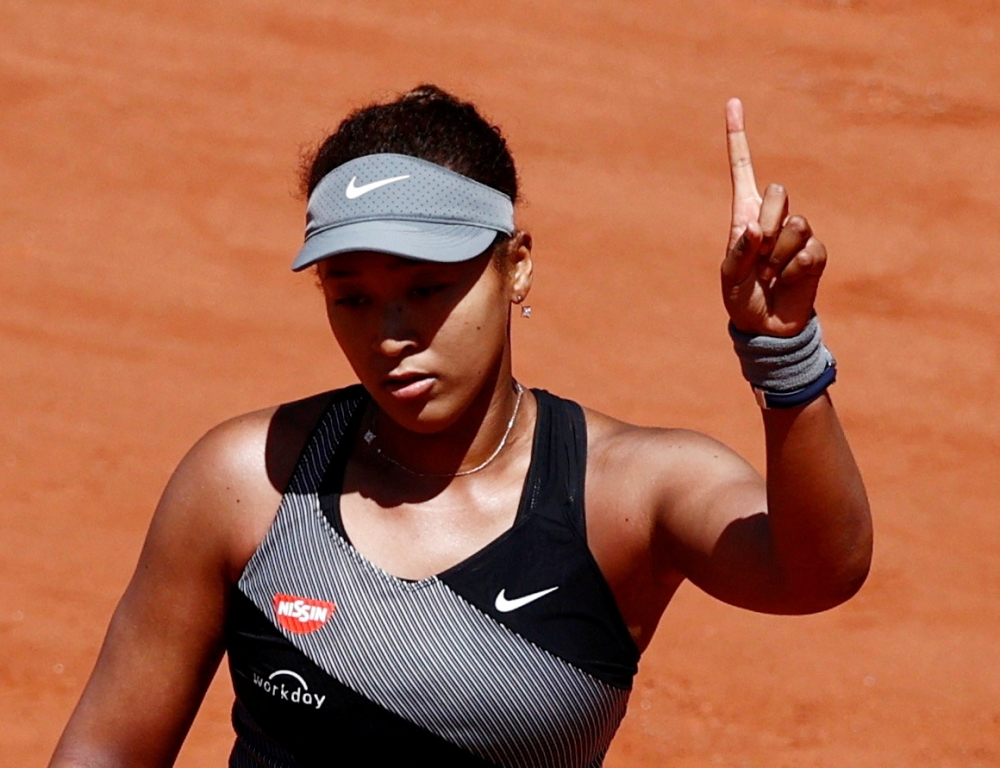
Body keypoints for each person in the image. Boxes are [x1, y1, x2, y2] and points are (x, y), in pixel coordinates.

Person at [50, 84, 872, 768]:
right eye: (352, 298)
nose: (392, 331)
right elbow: (108, 751)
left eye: (431, 285)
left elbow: (818, 572)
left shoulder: (625, 492)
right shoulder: (247, 482)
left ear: (516, 265)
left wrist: (783, 355)